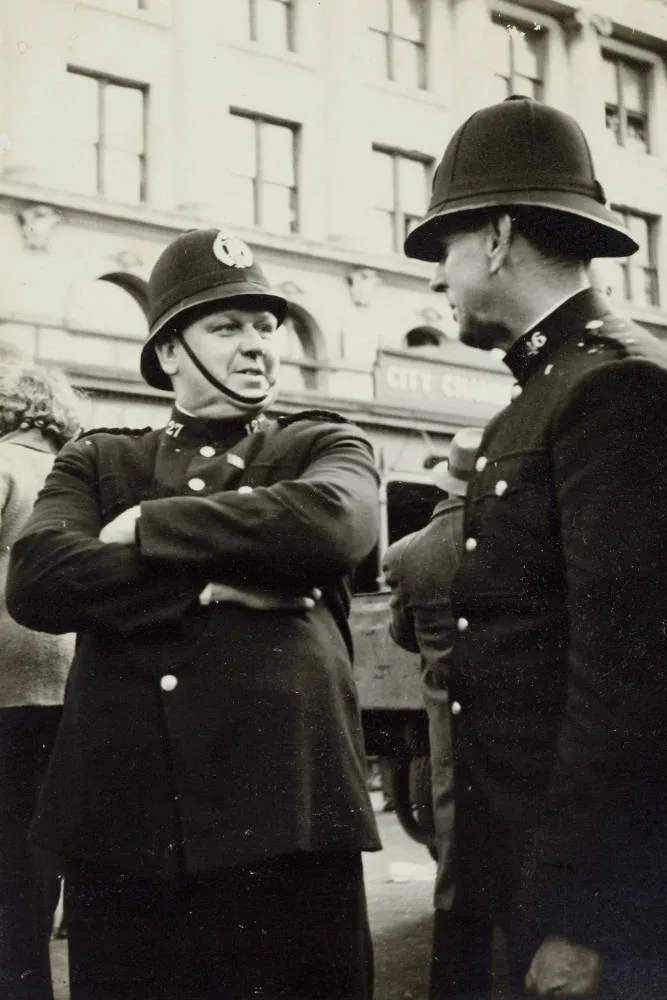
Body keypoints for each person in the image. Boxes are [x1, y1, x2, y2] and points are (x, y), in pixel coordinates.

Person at [403, 95, 667, 999]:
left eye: (445, 245)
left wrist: (586, 918)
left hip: (580, 905)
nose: (439, 277)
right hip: (518, 870)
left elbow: (636, 679)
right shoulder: (550, 393)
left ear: (500, 236)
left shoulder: (616, 391)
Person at [7, 228, 382, 1000]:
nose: (258, 346)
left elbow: (332, 523)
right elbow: (39, 577)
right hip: (126, 827)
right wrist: (208, 584)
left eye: (266, 325)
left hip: (287, 820)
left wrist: (151, 528)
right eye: (227, 326)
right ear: (169, 350)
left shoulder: (320, 441)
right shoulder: (99, 458)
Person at [382, 427, 489, 1000]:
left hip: (445, 720)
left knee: (456, 861)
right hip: (511, 717)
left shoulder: (409, 552)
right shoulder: (508, 539)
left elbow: (402, 634)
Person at [0, 356, 83, 1000]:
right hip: (73, 685)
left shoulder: (1, 465)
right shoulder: (74, 473)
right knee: (51, 848)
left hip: (4, 687)